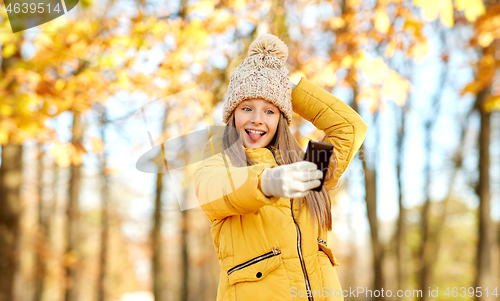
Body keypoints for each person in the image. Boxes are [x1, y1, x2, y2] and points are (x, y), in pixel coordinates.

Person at [193, 34, 368, 301]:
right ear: (232, 114)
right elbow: (213, 187)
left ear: (282, 119)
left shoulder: (307, 167)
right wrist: (267, 182)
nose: (257, 120)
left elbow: (349, 128)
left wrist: (290, 89)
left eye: (270, 111)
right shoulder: (221, 158)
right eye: (247, 108)